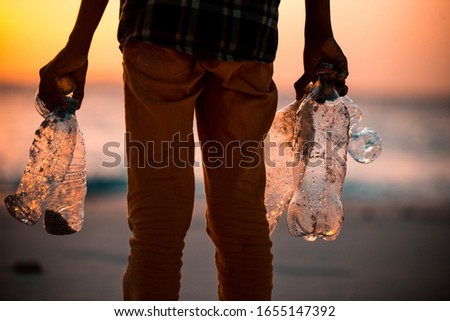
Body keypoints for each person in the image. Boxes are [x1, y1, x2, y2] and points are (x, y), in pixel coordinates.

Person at [38, 0, 348, 300]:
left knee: (157, 218)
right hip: (246, 28)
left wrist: (79, 43)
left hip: (159, 22)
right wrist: (319, 32)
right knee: (240, 221)